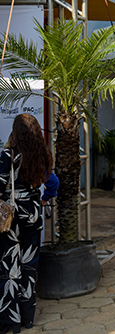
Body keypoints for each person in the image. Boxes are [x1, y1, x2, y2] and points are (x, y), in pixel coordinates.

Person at [0, 114, 53, 333]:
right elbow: (49, 180)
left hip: (12, 217)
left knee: (10, 268)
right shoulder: (43, 153)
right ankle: (28, 318)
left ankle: (10, 322)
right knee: (29, 266)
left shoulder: (9, 154)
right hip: (33, 212)